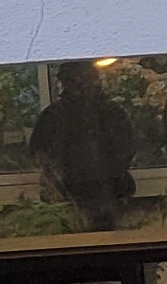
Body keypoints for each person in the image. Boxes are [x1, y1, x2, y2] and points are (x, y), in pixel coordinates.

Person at [28, 60, 139, 233]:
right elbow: (39, 156)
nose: (79, 87)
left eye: (83, 80)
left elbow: (125, 153)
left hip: (107, 194)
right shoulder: (53, 116)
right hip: (71, 197)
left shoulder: (110, 113)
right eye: (74, 81)